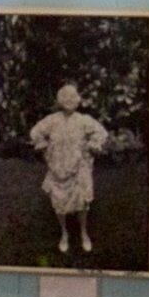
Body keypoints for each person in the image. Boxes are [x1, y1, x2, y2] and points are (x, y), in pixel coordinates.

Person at [29, 81, 111, 260]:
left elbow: (101, 133)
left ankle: (83, 232)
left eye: (73, 96)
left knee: (82, 202)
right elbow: (35, 132)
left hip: (79, 167)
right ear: (59, 100)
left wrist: (92, 145)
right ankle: (64, 232)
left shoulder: (83, 120)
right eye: (65, 97)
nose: (69, 100)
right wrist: (43, 145)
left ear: (78, 100)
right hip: (58, 167)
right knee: (59, 203)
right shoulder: (52, 120)